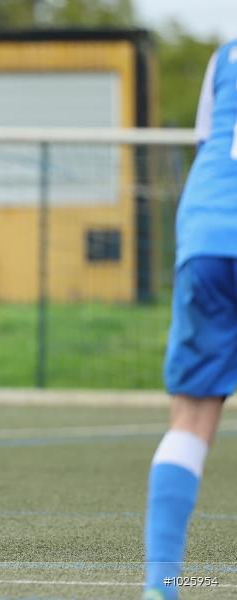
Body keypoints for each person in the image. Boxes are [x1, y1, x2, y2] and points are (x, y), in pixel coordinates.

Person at [144, 40, 237, 600]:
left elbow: (210, 142)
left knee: (192, 419)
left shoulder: (226, 54)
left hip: (207, 233)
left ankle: (163, 584)